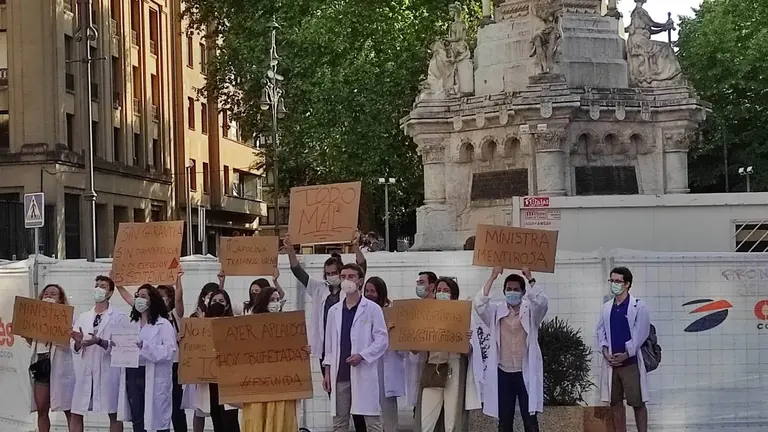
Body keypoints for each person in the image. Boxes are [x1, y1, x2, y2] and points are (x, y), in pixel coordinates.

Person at [474, 267, 547, 432]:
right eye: (509, 289)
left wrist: (529, 276)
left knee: (531, 422)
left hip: (525, 372)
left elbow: (542, 302)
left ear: (523, 292)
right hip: (503, 373)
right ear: (504, 291)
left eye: (516, 289)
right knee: (504, 422)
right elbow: (479, 304)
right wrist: (493, 276)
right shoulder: (495, 311)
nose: (512, 292)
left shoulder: (531, 312)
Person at [115, 270, 187, 432]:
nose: (139, 299)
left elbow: (169, 351)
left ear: (152, 301)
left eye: (144, 296)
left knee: (158, 418)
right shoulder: (131, 323)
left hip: (154, 374)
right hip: (133, 373)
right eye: (138, 295)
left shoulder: (163, 324)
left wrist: (145, 347)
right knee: (138, 418)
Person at [323, 263, 389, 432]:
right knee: (339, 423)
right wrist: (327, 372)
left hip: (363, 372)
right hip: (340, 374)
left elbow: (382, 340)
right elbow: (329, 346)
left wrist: (363, 355)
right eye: (343, 276)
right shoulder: (334, 311)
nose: (346, 280)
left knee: (372, 422)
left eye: (351, 277)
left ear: (360, 281)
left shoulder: (372, 309)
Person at [70, 275, 128, 432]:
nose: (98, 289)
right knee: (76, 411)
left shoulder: (119, 317)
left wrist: (100, 342)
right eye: (96, 285)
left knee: (113, 413)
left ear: (109, 293)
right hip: (86, 369)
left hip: (108, 370)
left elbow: (122, 345)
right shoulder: (83, 317)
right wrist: (78, 342)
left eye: (102, 286)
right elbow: (75, 348)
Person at [596, 267, 651, 432]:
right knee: (615, 402)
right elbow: (600, 331)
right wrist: (605, 351)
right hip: (612, 364)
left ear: (627, 284)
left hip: (630, 363)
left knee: (638, 402)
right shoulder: (606, 307)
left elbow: (641, 333)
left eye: (617, 281)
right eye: (611, 281)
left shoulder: (638, 306)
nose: (614, 284)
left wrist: (627, 354)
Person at [416, 277, 469, 432]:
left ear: (453, 296)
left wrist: (466, 339)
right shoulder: (426, 316)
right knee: (427, 418)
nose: (441, 293)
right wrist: (398, 331)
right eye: (438, 290)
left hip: (453, 367)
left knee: (452, 418)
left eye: (446, 291)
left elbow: (469, 350)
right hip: (433, 367)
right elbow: (413, 347)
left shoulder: (463, 315)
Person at [241, 286, 298, 431]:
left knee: (280, 421)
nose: (276, 303)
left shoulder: (288, 325)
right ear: (263, 302)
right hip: (257, 386)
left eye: (278, 299)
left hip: (281, 385)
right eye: (272, 300)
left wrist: (303, 350)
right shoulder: (249, 326)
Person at [26, 284, 76, 432]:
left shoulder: (68, 318)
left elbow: (70, 343)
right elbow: (31, 342)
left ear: (60, 299)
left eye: (53, 294)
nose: (48, 296)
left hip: (60, 366)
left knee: (68, 407)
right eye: (46, 293)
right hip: (41, 363)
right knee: (41, 408)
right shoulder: (35, 318)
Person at [364, 277, 406, 432]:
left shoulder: (391, 311)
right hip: (368, 362)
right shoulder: (362, 311)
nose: (369, 294)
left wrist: (389, 331)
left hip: (386, 363)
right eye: (367, 291)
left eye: (373, 291)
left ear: (380, 293)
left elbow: (401, 342)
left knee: (388, 407)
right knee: (370, 409)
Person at [203, 290, 241, 432]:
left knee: (230, 420)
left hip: (230, 380)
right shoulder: (200, 327)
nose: (217, 304)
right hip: (211, 380)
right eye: (214, 301)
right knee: (216, 418)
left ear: (227, 305)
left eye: (221, 302)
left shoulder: (234, 326)